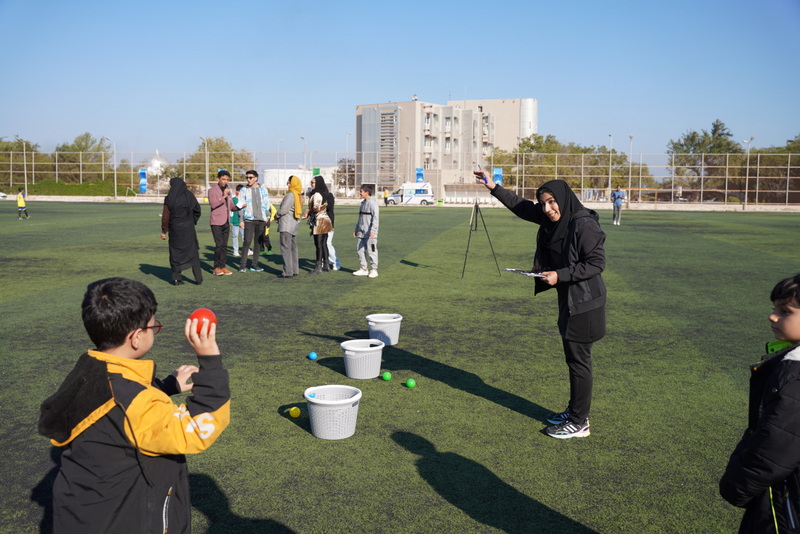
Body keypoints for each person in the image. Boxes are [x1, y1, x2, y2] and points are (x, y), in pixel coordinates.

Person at [37, 277, 230, 533]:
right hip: (123, 522)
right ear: (136, 337)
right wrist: (210, 362)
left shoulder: (89, 369)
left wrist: (167, 386)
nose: (154, 330)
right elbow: (193, 431)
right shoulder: (132, 400)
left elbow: (116, 402)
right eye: (153, 326)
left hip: (84, 515)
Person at [477, 171, 606, 439]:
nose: (547, 209)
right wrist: (492, 186)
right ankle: (574, 411)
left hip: (585, 302)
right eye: (543, 203)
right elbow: (521, 206)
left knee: (579, 362)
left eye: (551, 202)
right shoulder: (554, 218)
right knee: (573, 359)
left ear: (563, 199)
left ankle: (579, 422)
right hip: (570, 299)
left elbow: (596, 263)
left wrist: (560, 275)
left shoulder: (583, 224)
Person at [720, 274, 800, 532]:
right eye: (775, 308)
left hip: (786, 501)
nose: (772, 317)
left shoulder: (795, 374)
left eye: (785, 311)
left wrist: (737, 486)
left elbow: (775, 444)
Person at [160, 177, 203, 286]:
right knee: (192, 252)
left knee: (176, 253)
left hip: (175, 228)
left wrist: (164, 231)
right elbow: (197, 210)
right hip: (188, 228)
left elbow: (166, 217)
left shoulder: (170, 198)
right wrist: (192, 220)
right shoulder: (189, 196)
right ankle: (198, 278)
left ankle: (176, 278)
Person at [208, 170, 243, 276]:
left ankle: (222, 266)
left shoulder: (228, 191)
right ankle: (216, 267)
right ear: (218, 179)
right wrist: (223, 196)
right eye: (223, 179)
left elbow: (231, 206)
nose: (225, 181)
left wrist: (239, 207)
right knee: (219, 244)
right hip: (216, 221)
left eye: (227, 179)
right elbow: (213, 204)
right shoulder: (212, 190)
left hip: (226, 221)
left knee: (224, 245)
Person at [238, 170, 270, 273]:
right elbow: (240, 205)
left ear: (256, 178)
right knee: (247, 241)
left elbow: (267, 203)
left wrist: (267, 216)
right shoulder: (243, 190)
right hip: (249, 220)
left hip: (261, 219)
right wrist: (241, 219)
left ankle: (254, 265)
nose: (248, 179)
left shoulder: (263, 189)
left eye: (250, 177)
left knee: (258, 243)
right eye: (247, 177)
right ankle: (242, 266)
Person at [304, 175, 333, 274]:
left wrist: (309, 211)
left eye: (313, 183)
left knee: (318, 244)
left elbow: (316, 208)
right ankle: (326, 265)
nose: (311, 184)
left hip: (319, 221)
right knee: (324, 244)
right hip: (326, 220)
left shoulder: (316, 194)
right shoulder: (324, 193)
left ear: (318, 183)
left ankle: (318, 267)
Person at [276, 175, 302, 278]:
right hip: (294, 225)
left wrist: (276, 215)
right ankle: (294, 270)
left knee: (285, 248)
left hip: (286, 224)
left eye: (289, 182)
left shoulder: (290, 194)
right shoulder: (298, 195)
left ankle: (287, 272)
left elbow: (284, 209)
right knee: (292, 248)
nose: (288, 184)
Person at [353, 184, 380, 278]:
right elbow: (360, 218)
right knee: (359, 250)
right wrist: (356, 229)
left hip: (370, 233)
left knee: (372, 251)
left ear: (366, 192)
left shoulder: (373, 204)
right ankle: (364, 268)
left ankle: (374, 269)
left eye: (361, 191)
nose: (359, 193)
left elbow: (375, 218)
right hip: (361, 232)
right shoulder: (362, 204)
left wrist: (373, 230)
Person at [230, 184, 245, 257]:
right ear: (236, 191)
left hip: (243, 222)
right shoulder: (233, 199)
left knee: (244, 236)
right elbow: (231, 211)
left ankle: (246, 250)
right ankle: (235, 250)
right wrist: (231, 221)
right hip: (235, 221)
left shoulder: (244, 200)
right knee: (235, 235)